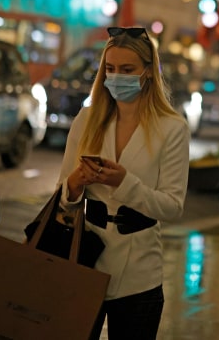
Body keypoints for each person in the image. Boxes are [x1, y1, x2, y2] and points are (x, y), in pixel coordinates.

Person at [57, 26, 190, 340]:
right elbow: (62, 195)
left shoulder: (171, 127)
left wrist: (125, 183)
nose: (117, 77)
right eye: (110, 69)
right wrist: (75, 184)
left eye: (127, 70)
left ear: (147, 72)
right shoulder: (87, 120)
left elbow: (172, 207)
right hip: (85, 259)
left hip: (140, 269)